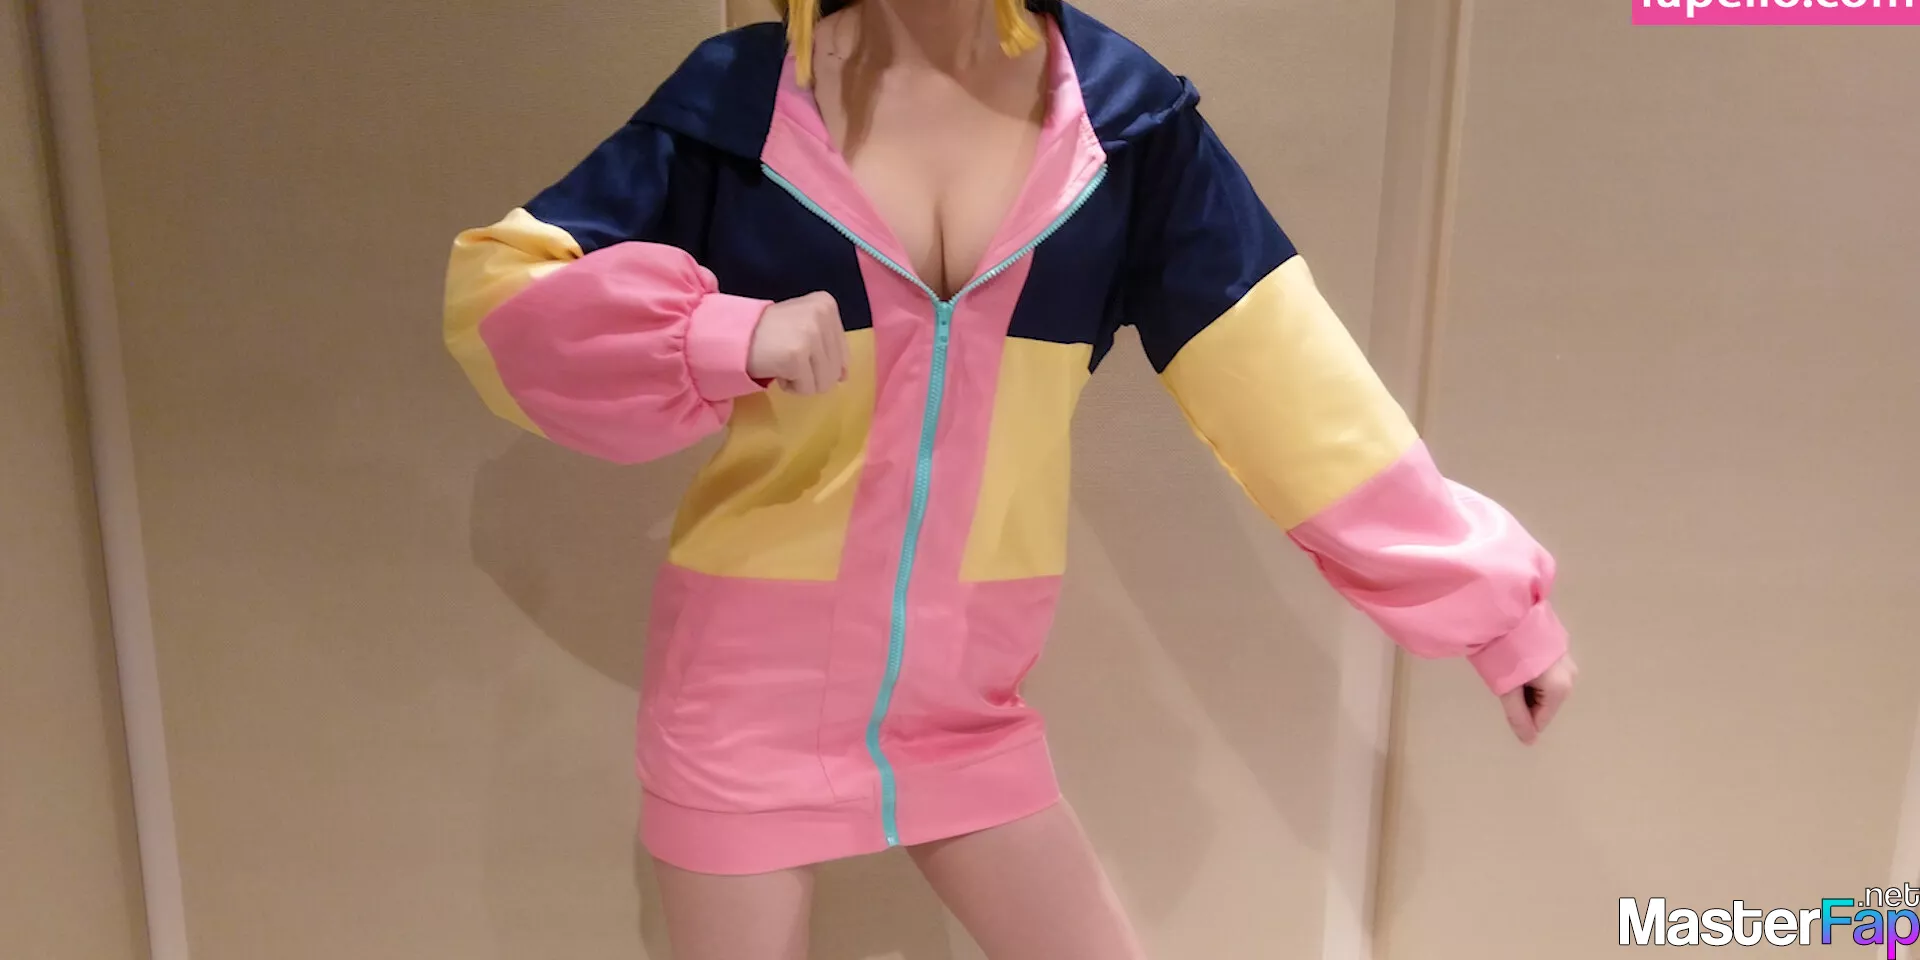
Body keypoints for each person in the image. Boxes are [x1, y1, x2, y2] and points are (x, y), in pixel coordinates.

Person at [442, 0, 1578, 956]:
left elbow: (1284, 381)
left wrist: (1489, 604)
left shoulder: (1126, 126)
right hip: (741, 697)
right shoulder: (740, 105)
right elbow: (499, 298)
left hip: (970, 707)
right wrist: (717, 335)